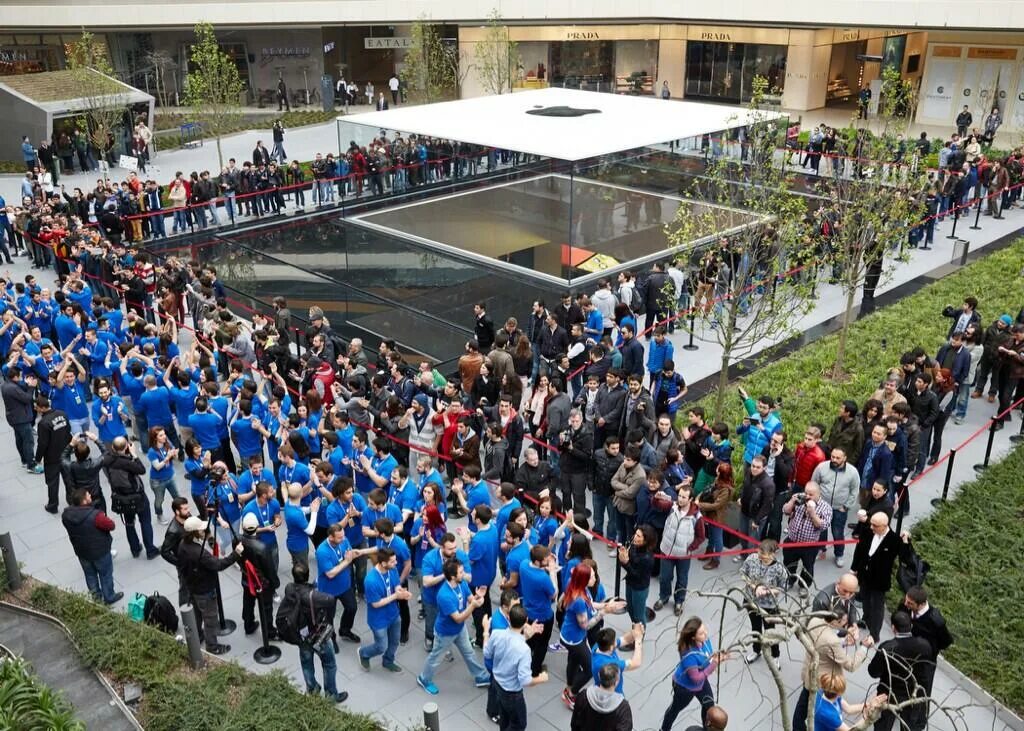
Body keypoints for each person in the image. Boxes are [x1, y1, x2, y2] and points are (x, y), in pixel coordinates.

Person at [416, 557, 491, 695]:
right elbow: (458, 618)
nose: (464, 574)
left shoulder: (461, 583)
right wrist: (473, 606)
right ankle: (424, 679)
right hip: (445, 633)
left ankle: (481, 677)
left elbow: (471, 599)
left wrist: (478, 598)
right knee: (435, 658)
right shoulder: (444, 595)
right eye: (461, 572)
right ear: (452, 576)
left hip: (460, 629)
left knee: (469, 653)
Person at [793, 609, 873, 731]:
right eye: (844, 621)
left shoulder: (815, 621)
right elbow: (850, 665)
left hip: (809, 674)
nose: (846, 624)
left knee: (801, 712)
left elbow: (823, 646)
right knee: (806, 709)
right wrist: (864, 647)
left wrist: (844, 642)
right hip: (822, 681)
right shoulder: (832, 640)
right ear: (836, 621)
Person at [279, 563, 349, 704]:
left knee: (306, 662)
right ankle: (331, 695)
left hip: (300, 635)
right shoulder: (313, 596)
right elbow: (330, 600)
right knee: (329, 664)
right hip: (316, 635)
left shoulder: (289, 588)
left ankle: (312, 689)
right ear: (307, 575)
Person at [177, 514, 244, 654]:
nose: (204, 531)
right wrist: (236, 554)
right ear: (195, 532)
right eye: (201, 530)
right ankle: (212, 647)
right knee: (210, 619)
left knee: (197, 616)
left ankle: (198, 636)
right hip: (205, 590)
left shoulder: (183, 545)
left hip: (193, 587)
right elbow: (219, 565)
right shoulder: (199, 553)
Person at [483, 603, 550, 730]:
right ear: (525, 621)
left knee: (505, 717)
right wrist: (541, 678)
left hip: (497, 683)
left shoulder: (497, 634)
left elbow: (487, 653)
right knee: (519, 724)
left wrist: (486, 631)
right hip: (512, 693)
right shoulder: (524, 650)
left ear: (508, 618)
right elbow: (525, 680)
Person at [660, 617, 732, 731]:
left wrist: (719, 657)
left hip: (702, 682)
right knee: (675, 709)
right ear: (693, 637)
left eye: (705, 630)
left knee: (709, 706)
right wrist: (714, 663)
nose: (706, 634)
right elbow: (695, 678)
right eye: (702, 633)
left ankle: (706, 728)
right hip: (685, 687)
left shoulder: (705, 640)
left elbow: (707, 657)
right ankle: (664, 729)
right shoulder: (688, 653)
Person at [851, 513, 912, 641]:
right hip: (864, 575)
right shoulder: (868, 532)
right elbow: (859, 550)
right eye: (871, 523)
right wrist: (854, 568)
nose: (871, 527)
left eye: (875, 525)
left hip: (879, 580)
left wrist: (906, 542)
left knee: (877, 607)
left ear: (885, 525)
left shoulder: (894, 539)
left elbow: (905, 558)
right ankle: (866, 619)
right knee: (865, 599)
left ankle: (875, 634)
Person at [867, 611, 931, 731]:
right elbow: (926, 673)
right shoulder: (924, 646)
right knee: (908, 726)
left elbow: (873, 672)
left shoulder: (888, 648)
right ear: (911, 626)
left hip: (888, 693)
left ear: (893, 627)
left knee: (882, 726)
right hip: (913, 694)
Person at [102, 436, 160, 559]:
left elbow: (105, 453)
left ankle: (135, 549)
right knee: (145, 522)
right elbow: (142, 470)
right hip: (137, 496)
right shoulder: (128, 463)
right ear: (127, 447)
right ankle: (150, 549)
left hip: (121, 498)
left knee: (129, 523)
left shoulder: (107, 460)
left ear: (113, 447)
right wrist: (135, 455)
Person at [62, 488, 122, 605]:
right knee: (105, 575)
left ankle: (96, 599)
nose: (90, 496)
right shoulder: (96, 516)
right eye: (88, 496)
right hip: (100, 551)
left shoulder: (66, 515)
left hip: (82, 551)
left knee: (90, 575)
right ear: (84, 501)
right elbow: (111, 525)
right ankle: (109, 597)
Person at [358, 546, 410, 673]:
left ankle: (388, 661)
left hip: (393, 614)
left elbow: (396, 585)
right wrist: (396, 596)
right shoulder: (371, 580)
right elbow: (376, 604)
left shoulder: (392, 569)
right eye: (392, 561)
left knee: (395, 641)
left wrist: (401, 591)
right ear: (382, 563)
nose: (396, 563)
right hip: (378, 619)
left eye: (395, 560)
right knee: (381, 646)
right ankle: (364, 653)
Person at [656, 484, 705, 616]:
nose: (680, 499)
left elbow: (701, 536)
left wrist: (690, 547)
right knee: (664, 577)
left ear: (690, 499)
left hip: (683, 555)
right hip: (666, 550)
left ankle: (679, 601)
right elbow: (658, 505)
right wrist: (655, 498)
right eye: (679, 496)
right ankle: (664, 597)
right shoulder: (672, 507)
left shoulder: (696, 517)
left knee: (682, 579)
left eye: (684, 497)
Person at [740, 539, 787, 666]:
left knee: (770, 631)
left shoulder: (779, 569)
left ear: (773, 554)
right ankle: (756, 650)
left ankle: (775, 655)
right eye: (760, 556)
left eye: (765, 558)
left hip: (769, 606)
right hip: (751, 601)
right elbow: (743, 573)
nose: (762, 560)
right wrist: (754, 586)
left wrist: (767, 591)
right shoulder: (752, 559)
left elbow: (782, 588)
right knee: (755, 628)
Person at [782, 482, 832, 597]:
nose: (807, 496)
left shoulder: (825, 508)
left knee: (808, 567)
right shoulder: (800, 498)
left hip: (810, 545)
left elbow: (823, 526)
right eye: (806, 493)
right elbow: (785, 511)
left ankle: (804, 586)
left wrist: (812, 514)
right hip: (792, 540)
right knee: (789, 563)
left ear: (818, 494)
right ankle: (789, 580)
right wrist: (792, 502)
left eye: (811, 494)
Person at [904, 585, 954, 697]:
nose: (905, 604)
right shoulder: (906, 606)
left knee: (921, 694)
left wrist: (928, 648)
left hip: (925, 663)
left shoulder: (935, 620)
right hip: (907, 655)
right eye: (906, 600)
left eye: (910, 603)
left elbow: (945, 642)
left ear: (921, 604)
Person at [238, 511, 279, 638]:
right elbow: (269, 569)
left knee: (248, 603)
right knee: (266, 608)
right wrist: (275, 583)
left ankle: (248, 625)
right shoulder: (262, 547)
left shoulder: (238, 541)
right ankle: (269, 632)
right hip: (262, 583)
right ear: (256, 527)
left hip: (246, 578)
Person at [2, 366, 42, 473]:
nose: (21, 378)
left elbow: (19, 386)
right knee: (28, 441)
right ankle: (31, 465)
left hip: (14, 418)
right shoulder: (12, 388)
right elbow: (27, 399)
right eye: (20, 376)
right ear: (15, 377)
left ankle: (24, 460)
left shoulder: (6, 384)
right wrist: (31, 387)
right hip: (21, 418)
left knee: (19, 439)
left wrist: (26, 383)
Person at [35, 394, 71, 513]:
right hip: (65, 453)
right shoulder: (63, 414)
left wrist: (38, 458)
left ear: (42, 408)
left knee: (52, 483)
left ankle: (53, 505)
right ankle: (72, 501)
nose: (36, 409)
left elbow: (42, 443)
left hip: (52, 458)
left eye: (37, 407)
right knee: (69, 479)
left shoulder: (43, 423)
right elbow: (68, 431)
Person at [571, 663, 634, 731]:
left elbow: (574, 724)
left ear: (599, 676)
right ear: (616, 682)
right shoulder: (623, 708)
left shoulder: (583, 696)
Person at [618, 524, 655, 627]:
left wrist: (625, 563)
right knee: (630, 608)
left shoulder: (647, 558)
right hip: (630, 583)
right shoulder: (633, 546)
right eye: (636, 534)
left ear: (646, 540)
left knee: (638, 615)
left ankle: (639, 636)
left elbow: (637, 575)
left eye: (639, 536)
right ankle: (636, 629)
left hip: (639, 588)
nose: (635, 537)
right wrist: (623, 557)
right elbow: (628, 563)